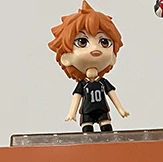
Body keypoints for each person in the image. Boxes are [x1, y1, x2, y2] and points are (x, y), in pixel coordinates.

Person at [49, 1, 129, 132]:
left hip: (103, 111)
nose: (95, 47)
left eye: (104, 42)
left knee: (107, 129)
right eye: (82, 41)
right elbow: (77, 97)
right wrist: (72, 113)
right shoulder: (83, 84)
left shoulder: (102, 82)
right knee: (87, 132)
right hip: (86, 112)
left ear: (113, 57)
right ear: (66, 58)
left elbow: (111, 94)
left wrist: (121, 109)